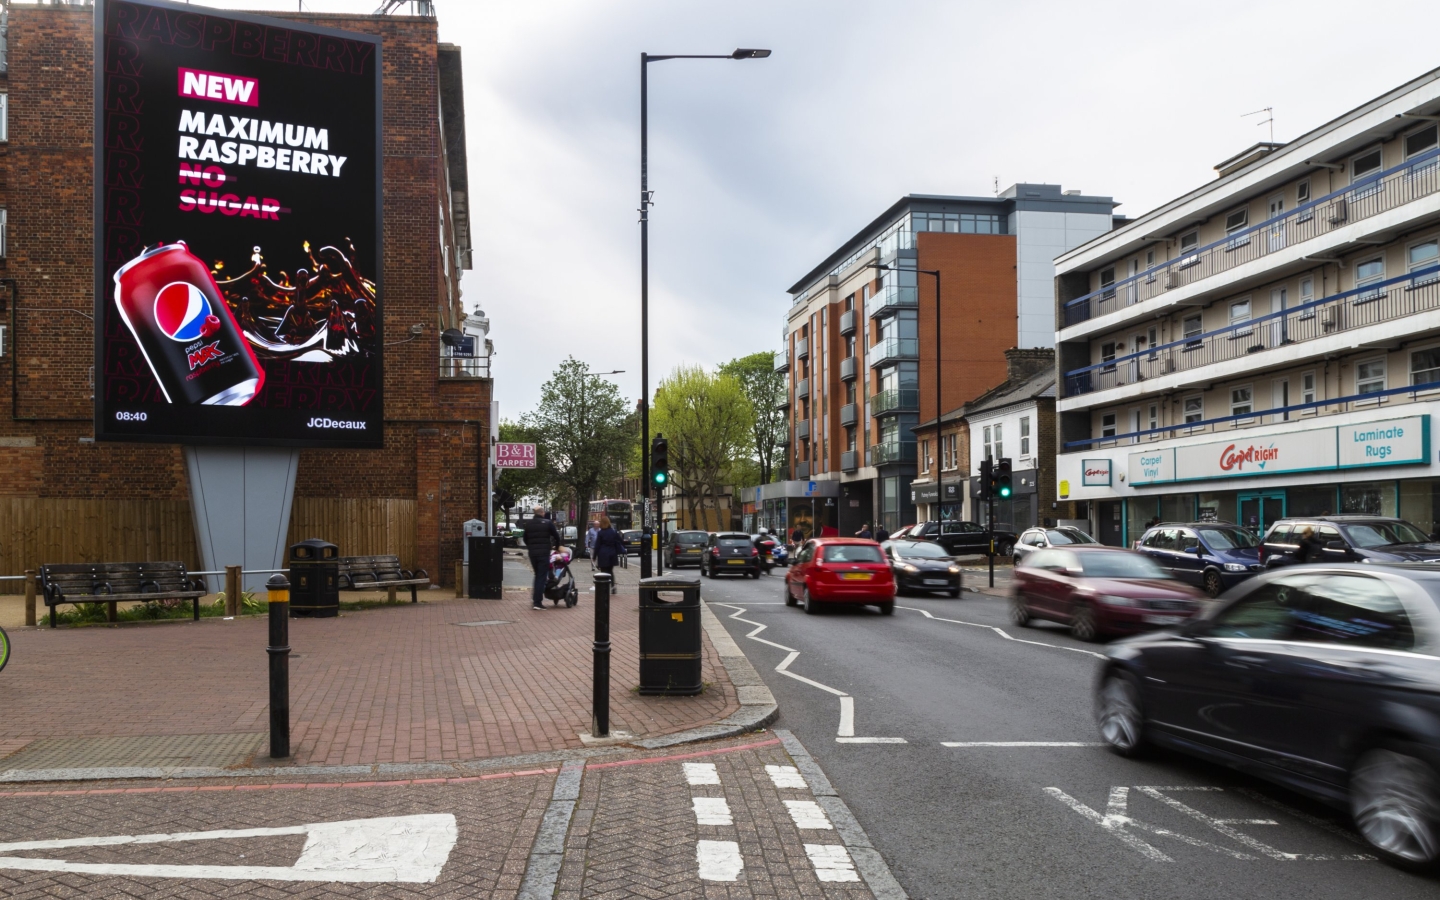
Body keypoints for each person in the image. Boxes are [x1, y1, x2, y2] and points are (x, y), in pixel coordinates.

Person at [521, 506, 562, 610]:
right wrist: (556, 548)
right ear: (542, 513)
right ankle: (537, 602)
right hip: (543, 553)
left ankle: (536, 599)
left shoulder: (529, 524)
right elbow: (557, 537)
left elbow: (525, 538)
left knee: (538, 575)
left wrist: (531, 546)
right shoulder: (548, 523)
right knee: (541, 577)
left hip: (532, 553)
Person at [592, 515, 626, 588]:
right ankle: (613, 586)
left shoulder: (600, 533)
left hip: (603, 554)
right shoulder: (613, 532)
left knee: (603, 571)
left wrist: (594, 556)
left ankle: (604, 587)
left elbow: (597, 545)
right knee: (610, 571)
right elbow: (620, 541)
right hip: (612, 553)